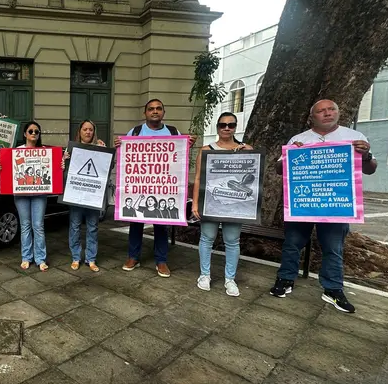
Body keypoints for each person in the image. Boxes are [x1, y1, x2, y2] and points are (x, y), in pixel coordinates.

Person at [270, 100, 377, 313]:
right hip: (303, 203)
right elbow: (280, 169)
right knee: (292, 243)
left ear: (338, 113)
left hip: (335, 205)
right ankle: (285, 279)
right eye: (321, 111)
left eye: (331, 110)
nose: (327, 113)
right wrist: (291, 154)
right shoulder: (299, 139)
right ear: (312, 116)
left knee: (333, 248)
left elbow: (370, 169)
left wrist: (365, 155)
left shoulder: (355, 138)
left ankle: (333, 289)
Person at [114, 98, 196, 277]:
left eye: (159, 108)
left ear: (163, 112)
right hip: (139, 186)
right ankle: (133, 257)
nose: (155, 111)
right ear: (145, 113)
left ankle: (161, 260)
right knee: (135, 222)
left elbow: (180, 158)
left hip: (163, 186)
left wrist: (188, 145)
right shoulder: (135, 132)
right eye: (151, 109)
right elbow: (125, 157)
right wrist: (119, 146)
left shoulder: (174, 132)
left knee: (161, 223)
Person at [191, 112, 253, 297]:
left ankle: (230, 279)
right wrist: (195, 203)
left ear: (235, 127)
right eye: (222, 125)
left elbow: (253, 177)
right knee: (207, 238)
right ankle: (204, 275)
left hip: (235, 204)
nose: (226, 128)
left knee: (232, 241)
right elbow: (198, 177)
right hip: (211, 201)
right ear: (217, 127)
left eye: (231, 125)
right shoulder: (206, 149)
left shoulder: (246, 149)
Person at [65, 120, 106, 272]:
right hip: (75, 194)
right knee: (75, 227)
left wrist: (105, 152)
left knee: (92, 227)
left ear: (94, 132)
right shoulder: (71, 149)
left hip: (93, 195)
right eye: (85, 129)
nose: (88, 132)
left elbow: (108, 167)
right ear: (80, 131)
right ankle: (76, 257)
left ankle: (91, 259)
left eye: (91, 130)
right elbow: (64, 170)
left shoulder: (100, 148)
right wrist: (65, 160)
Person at [15, 121, 49, 271]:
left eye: (36, 131)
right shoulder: (17, 151)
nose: (34, 133)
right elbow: (11, 169)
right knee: (25, 225)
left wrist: (60, 165)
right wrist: (1, 166)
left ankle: (40, 258)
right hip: (21, 193)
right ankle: (26, 257)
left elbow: (51, 169)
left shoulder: (44, 151)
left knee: (38, 226)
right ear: (25, 134)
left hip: (39, 193)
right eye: (31, 131)